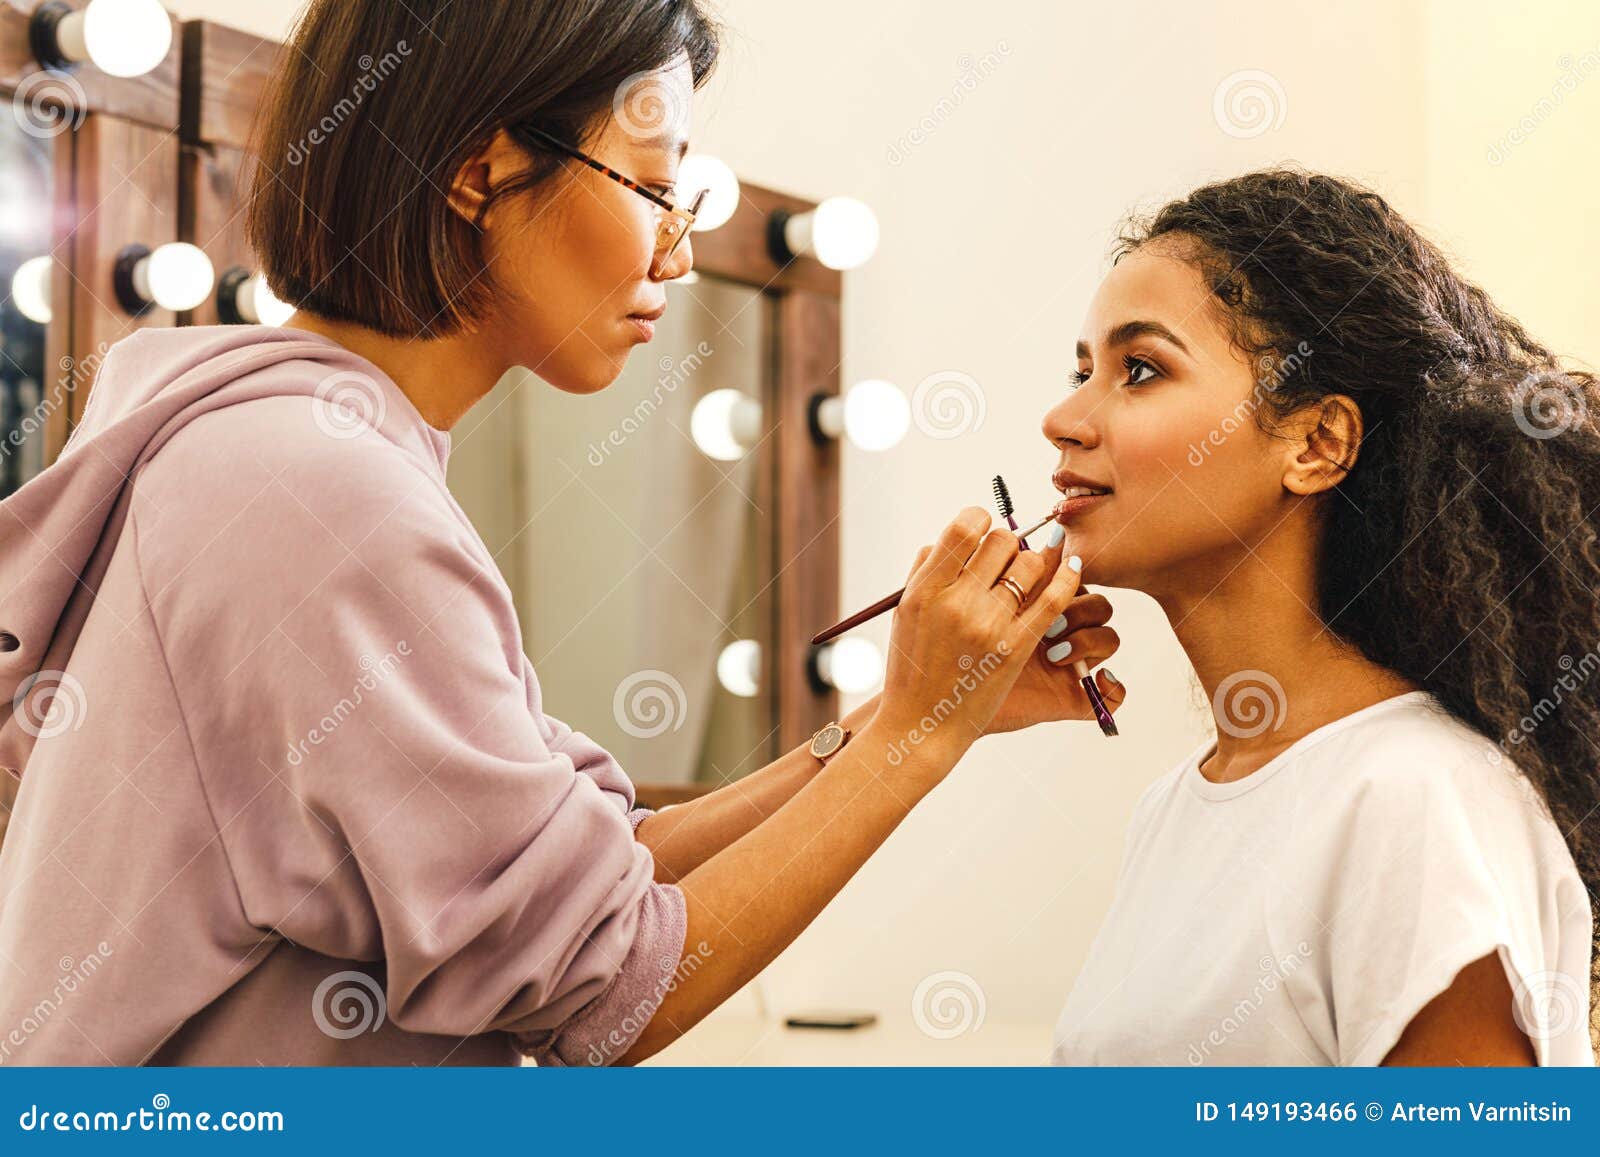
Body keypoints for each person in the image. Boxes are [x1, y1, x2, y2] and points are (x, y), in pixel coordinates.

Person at [1046, 168, 1597, 1066]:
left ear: (1316, 442)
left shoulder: (1417, 800)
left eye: (1138, 370)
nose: (1063, 418)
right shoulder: (1175, 808)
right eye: (1081, 371)